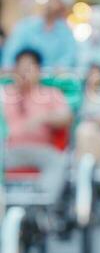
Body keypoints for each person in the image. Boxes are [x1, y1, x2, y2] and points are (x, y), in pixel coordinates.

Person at [2, 47, 73, 203]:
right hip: (7, 150)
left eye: (29, 68)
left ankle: (42, 204)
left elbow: (66, 117)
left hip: (41, 151)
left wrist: (44, 117)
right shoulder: (4, 93)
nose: (23, 73)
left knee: (55, 161)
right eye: (20, 68)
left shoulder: (50, 94)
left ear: (38, 71)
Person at [2, 0, 77, 70]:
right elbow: (9, 57)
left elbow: (67, 61)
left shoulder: (66, 34)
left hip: (52, 82)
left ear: (63, 7)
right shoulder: (25, 26)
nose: (51, 1)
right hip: (22, 79)